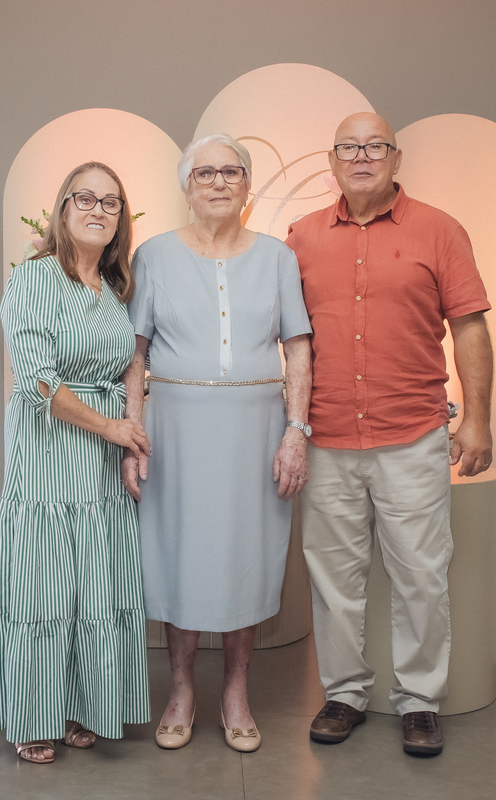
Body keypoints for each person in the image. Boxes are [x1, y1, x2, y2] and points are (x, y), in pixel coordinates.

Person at [285, 113, 494, 756]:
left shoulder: (441, 230)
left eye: (375, 146)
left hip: (412, 434)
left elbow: (470, 327)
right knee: (334, 580)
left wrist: (478, 419)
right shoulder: (301, 236)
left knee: (422, 576)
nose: (362, 156)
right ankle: (344, 693)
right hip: (326, 438)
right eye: (349, 147)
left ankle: (420, 701)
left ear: (396, 158)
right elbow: (288, 339)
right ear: (332, 160)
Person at [121, 133, 313, 753]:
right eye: (205, 173)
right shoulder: (153, 255)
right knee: (179, 555)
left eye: (232, 171)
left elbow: (298, 349)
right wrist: (132, 435)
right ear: (186, 186)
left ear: (248, 186)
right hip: (174, 432)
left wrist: (296, 431)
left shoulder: (278, 258)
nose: (219, 182)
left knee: (244, 557)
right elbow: (134, 354)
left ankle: (235, 690)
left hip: (256, 433)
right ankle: (180, 689)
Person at [0, 162, 152, 764]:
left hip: (99, 467)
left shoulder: (113, 288)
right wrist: (114, 428)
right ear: (62, 208)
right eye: (85, 198)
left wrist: (124, 434)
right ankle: (33, 713)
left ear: (120, 219)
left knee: (93, 587)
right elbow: (36, 380)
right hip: (49, 456)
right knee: (43, 587)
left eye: (111, 202)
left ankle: (81, 705)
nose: (98, 210)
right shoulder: (33, 278)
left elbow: (130, 365)